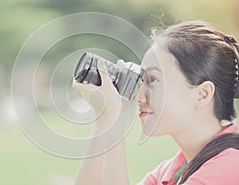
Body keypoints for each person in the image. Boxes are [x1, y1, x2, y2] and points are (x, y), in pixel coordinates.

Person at [72, 20, 239, 185]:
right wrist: (103, 119)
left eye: (153, 81)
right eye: (141, 81)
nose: (138, 97)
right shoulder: (171, 173)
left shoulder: (230, 167)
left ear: (202, 94)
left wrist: (114, 120)